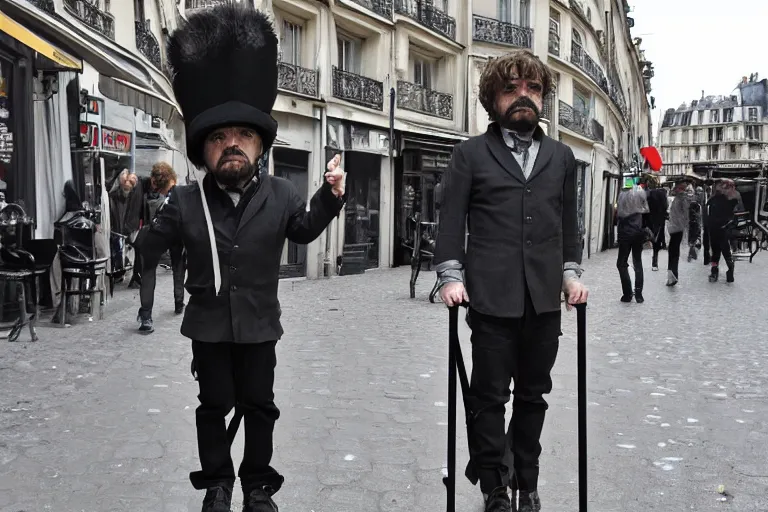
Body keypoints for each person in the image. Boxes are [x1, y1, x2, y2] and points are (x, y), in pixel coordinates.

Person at [135, 5, 346, 511]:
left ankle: (256, 486)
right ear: (203, 150)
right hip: (207, 328)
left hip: (258, 327)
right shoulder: (183, 202)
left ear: (259, 144)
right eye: (219, 138)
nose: (232, 145)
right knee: (212, 408)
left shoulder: (282, 194)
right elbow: (146, 252)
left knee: (260, 408)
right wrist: (149, 224)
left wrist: (331, 196)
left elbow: (303, 228)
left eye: (243, 136)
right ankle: (217, 483)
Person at [433, 49, 588, 512]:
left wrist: (571, 275)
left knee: (534, 397)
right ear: (492, 99)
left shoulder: (562, 157)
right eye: (511, 88)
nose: (524, 96)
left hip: (542, 300)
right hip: (490, 299)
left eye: (533, 88)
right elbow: (451, 219)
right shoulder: (470, 154)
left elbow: (568, 225)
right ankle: (494, 486)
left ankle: (528, 480)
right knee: (489, 398)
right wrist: (449, 276)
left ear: (543, 97)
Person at [137, 162, 185, 334]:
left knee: (149, 273)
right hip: (175, 236)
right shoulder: (182, 195)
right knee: (178, 267)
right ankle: (179, 302)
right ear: (172, 178)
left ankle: (146, 316)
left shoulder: (152, 195)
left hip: (154, 238)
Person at [616, 180, 650, 303]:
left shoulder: (622, 195)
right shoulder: (640, 193)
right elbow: (646, 211)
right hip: (638, 232)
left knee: (621, 263)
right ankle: (639, 294)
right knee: (637, 262)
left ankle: (627, 293)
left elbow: (619, 214)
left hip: (625, 233)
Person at [109, 169, 144, 287]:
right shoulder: (115, 195)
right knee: (118, 247)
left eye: (128, 189)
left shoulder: (133, 194)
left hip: (126, 227)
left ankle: (125, 273)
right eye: (125, 187)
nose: (126, 191)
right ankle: (121, 272)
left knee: (124, 248)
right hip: (119, 227)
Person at [706, 179, 739, 283]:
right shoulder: (731, 200)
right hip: (722, 228)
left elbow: (708, 215)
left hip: (716, 229)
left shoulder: (714, 200)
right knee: (725, 251)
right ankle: (729, 272)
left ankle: (715, 272)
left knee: (717, 252)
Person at [665, 181, 691, 286]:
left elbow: (685, 214)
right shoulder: (679, 198)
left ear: (680, 188)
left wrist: (683, 226)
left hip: (677, 229)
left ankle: (673, 276)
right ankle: (672, 275)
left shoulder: (682, 199)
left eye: (676, 188)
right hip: (675, 228)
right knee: (672, 251)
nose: (674, 189)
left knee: (673, 252)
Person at [644, 175, 668, 271]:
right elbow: (665, 206)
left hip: (650, 219)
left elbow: (644, 207)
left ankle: (652, 261)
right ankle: (655, 262)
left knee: (651, 237)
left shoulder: (647, 193)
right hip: (660, 219)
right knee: (657, 240)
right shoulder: (662, 193)